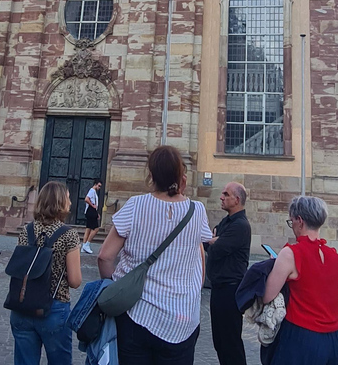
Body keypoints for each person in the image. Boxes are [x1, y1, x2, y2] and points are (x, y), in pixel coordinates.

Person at [97, 145, 212, 365]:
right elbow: (201, 257)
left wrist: (116, 287)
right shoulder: (196, 210)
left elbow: (104, 256)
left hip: (136, 312)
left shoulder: (135, 205)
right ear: (181, 175)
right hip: (181, 318)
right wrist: (180, 192)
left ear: (150, 174)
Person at [263, 196, 338, 365]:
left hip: (302, 337)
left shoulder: (291, 253)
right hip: (333, 340)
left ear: (300, 221)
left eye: (291, 221)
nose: (292, 225)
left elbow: (267, 295)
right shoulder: (334, 255)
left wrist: (275, 265)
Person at [10, 181, 82, 365]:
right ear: (60, 202)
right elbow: (75, 281)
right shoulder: (69, 234)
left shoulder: (26, 230)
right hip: (53, 307)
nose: (70, 202)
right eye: (67, 198)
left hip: (23, 305)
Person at [205, 182, 251, 365]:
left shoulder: (240, 225)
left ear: (237, 200)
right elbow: (208, 241)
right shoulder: (227, 221)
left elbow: (216, 249)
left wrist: (215, 241)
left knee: (230, 344)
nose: (221, 197)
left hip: (230, 291)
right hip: (218, 289)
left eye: (226, 194)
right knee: (220, 342)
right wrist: (213, 240)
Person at [81, 180, 102, 254]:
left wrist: (96, 212)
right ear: (95, 184)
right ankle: (87, 244)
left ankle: (84, 246)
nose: (99, 187)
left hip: (91, 210)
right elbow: (86, 199)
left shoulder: (93, 191)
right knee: (96, 229)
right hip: (91, 210)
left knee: (88, 228)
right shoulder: (92, 191)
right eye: (98, 186)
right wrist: (93, 206)